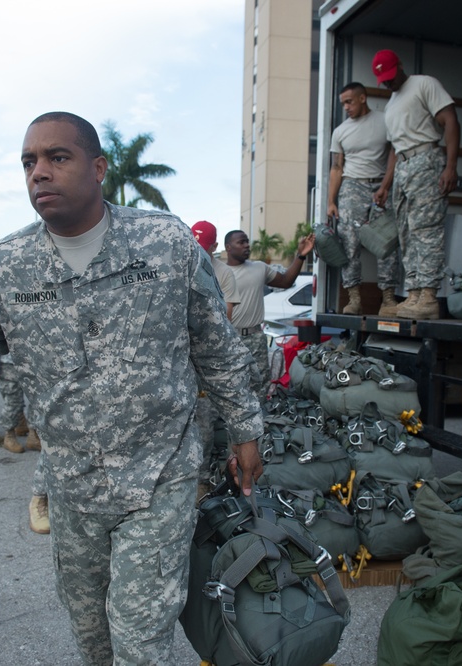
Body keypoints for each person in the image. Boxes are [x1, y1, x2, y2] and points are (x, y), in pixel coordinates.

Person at [0, 111, 263, 665]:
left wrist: (246, 430)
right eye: (28, 162)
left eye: (56, 158)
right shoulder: (3, 267)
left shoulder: (165, 244)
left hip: (160, 473)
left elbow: (215, 345)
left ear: (98, 168)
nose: (39, 172)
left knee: (141, 638)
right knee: (92, 636)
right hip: (70, 483)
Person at [371, 49, 460, 320]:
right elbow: (394, 150)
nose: (387, 83)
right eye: (382, 80)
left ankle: (429, 296)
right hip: (403, 167)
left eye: (389, 76)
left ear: (399, 65)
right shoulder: (390, 105)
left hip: (426, 158)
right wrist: (386, 185)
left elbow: (450, 121)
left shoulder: (424, 84)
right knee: (406, 232)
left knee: (426, 229)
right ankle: (414, 294)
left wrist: (451, 166)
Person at [327, 81, 401, 317]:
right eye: (343, 104)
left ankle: (388, 299)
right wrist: (331, 201)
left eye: (349, 101)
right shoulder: (340, 131)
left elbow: (395, 154)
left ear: (362, 98)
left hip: (380, 183)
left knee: (386, 242)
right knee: (349, 243)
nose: (346, 107)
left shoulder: (384, 120)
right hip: (352, 186)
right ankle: (354, 298)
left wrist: (387, 185)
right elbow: (337, 168)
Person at [224, 229, 315, 400]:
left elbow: (286, 281)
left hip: (255, 337)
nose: (246, 245)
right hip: (230, 338)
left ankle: (260, 423)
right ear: (228, 247)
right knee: (231, 386)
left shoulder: (259, 268)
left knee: (260, 385)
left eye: (247, 241)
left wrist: (301, 256)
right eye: (241, 242)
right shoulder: (219, 273)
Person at [190, 220, 239, 497]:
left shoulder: (222, 274)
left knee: (206, 422)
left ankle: (203, 479)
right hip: (183, 359)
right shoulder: (181, 265)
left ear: (213, 248)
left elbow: (225, 319)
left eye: (202, 248)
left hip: (207, 359)